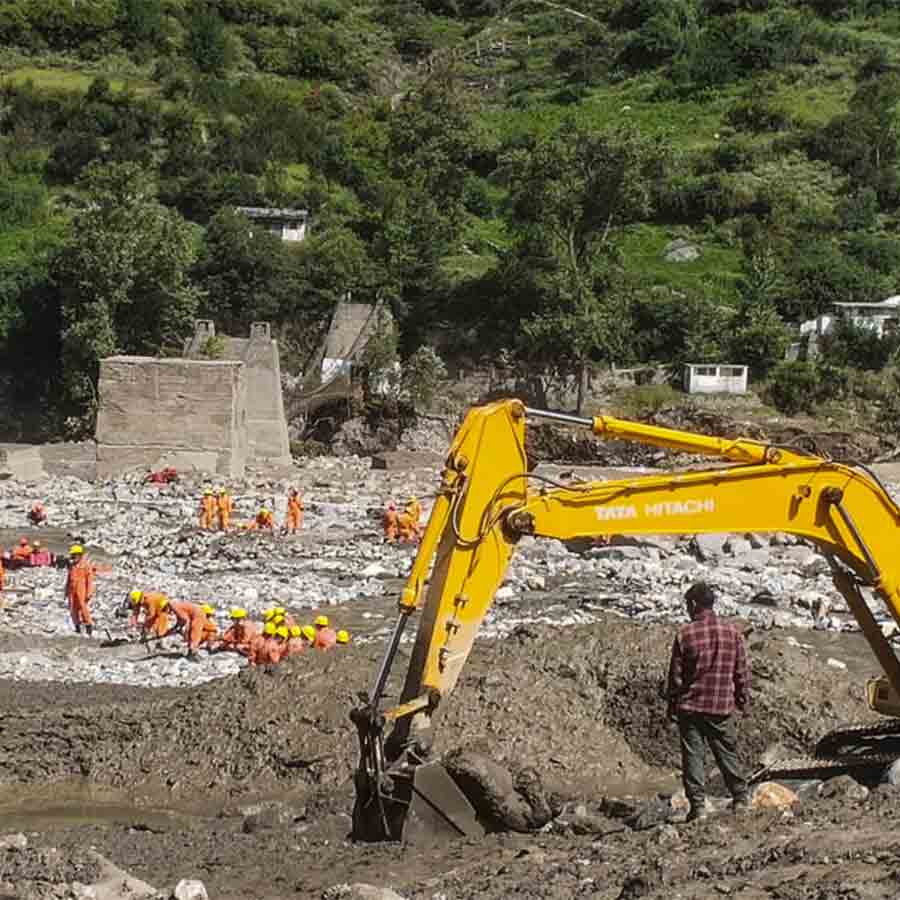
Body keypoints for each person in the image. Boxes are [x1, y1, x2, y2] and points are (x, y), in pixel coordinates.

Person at [667, 581, 750, 822]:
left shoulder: (685, 634)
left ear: (693, 604)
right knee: (727, 753)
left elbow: (676, 677)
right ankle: (741, 799)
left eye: (687, 605)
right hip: (721, 706)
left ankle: (698, 807)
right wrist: (743, 701)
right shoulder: (732, 632)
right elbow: (741, 672)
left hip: (691, 707)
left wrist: (672, 705)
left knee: (693, 757)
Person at [65, 544, 95, 635]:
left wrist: (89, 592)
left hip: (82, 589)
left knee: (83, 608)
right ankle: (77, 627)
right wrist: (66, 591)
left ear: (79, 555)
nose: (73, 557)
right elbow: (68, 579)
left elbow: (90, 580)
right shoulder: (72, 566)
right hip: (72, 590)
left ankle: (89, 626)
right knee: (73, 608)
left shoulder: (85, 566)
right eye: (72, 555)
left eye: (74, 555)